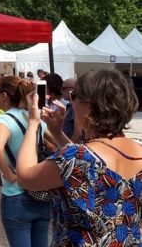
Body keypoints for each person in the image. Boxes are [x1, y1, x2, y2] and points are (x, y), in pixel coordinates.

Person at [16, 69, 142, 246]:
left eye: (73, 95)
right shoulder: (138, 150)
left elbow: (24, 177)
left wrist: (33, 122)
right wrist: (57, 133)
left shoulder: (76, 157)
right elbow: (86, 162)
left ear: (89, 105)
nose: (69, 101)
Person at [0, 75, 53, 246]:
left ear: (4, 96)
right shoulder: (34, 118)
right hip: (40, 193)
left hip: (15, 193)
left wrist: (9, 174)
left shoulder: (4, 119)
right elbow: (56, 144)